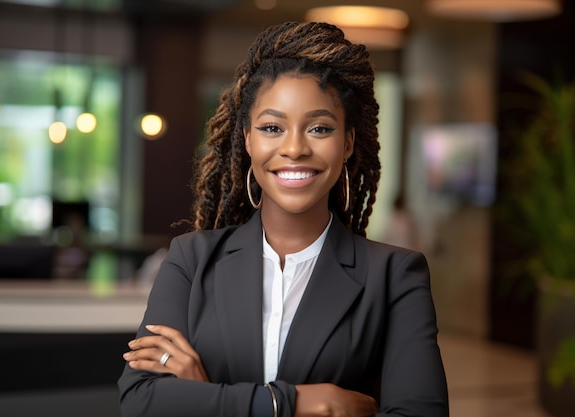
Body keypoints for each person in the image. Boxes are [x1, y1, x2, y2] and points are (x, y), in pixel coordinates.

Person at [119, 21, 449, 417]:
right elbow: (141, 402)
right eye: (272, 127)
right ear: (247, 139)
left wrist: (207, 395)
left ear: (346, 142)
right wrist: (295, 403)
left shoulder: (395, 275)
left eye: (319, 128)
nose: (294, 148)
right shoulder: (191, 260)